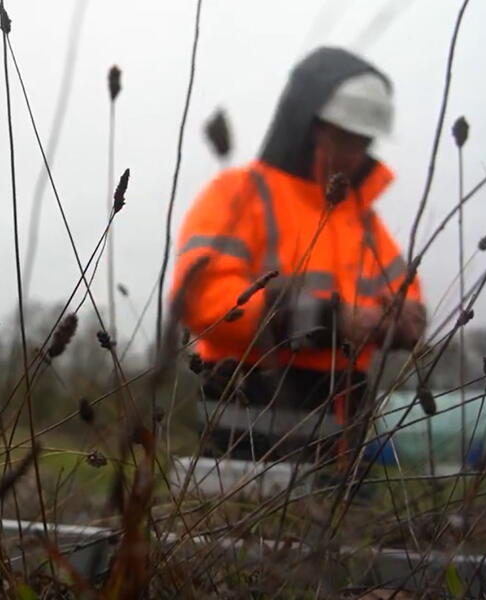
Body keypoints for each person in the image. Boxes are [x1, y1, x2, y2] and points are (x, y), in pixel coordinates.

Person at [171, 47, 426, 465]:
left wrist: (404, 319)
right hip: (245, 439)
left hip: (344, 446)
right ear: (307, 125)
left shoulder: (363, 221)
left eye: (363, 140)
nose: (354, 152)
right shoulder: (238, 193)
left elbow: (406, 294)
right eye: (342, 135)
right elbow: (201, 299)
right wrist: (330, 321)